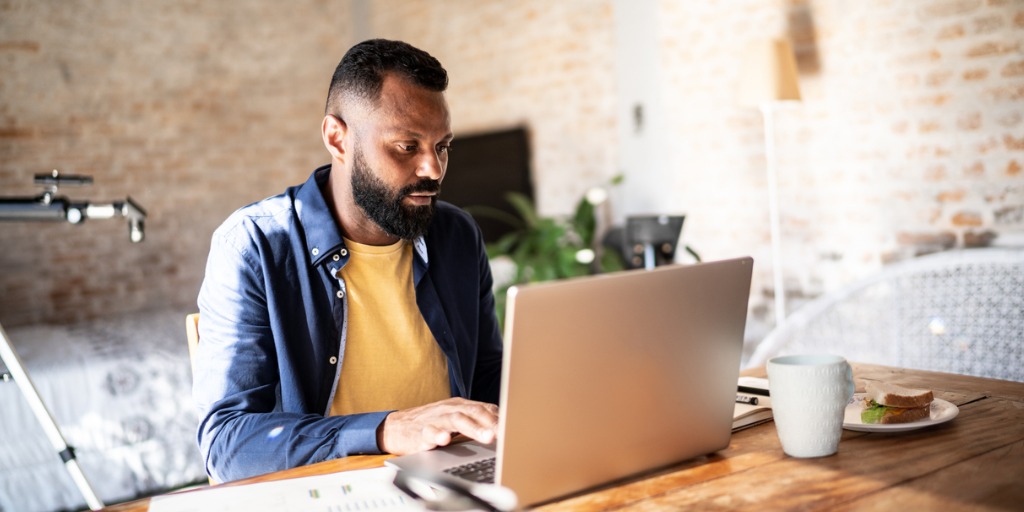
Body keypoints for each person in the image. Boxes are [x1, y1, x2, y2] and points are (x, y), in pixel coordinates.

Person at [193, 39, 503, 482]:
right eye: (406, 146)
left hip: (451, 485)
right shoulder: (256, 246)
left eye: (442, 146)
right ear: (337, 139)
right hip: (325, 492)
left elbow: (491, 380)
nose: (433, 169)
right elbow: (227, 444)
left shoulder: (456, 236)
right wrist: (384, 430)